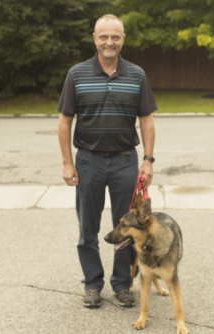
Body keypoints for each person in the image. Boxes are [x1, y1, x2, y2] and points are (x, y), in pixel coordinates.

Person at [57, 14, 157, 309]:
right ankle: (92, 284)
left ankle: (122, 284)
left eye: (115, 37)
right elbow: (64, 122)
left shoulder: (137, 75)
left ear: (123, 39)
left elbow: (147, 121)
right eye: (104, 37)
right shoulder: (77, 74)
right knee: (87, 228)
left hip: (126, 162)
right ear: (95, 38)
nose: (109, 42)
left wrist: (148, 160)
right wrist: (67, 163)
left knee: (127, 228)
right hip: (88, 162)